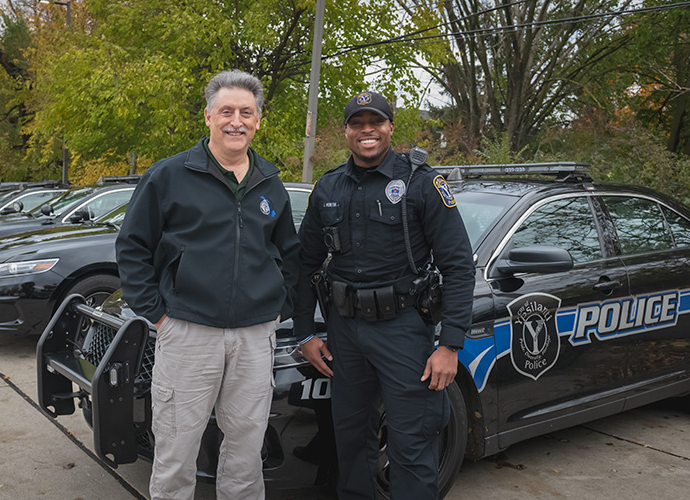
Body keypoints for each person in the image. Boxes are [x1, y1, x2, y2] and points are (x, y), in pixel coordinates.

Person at [115, 69, 300, 500]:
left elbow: (290, 255)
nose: (237, 121)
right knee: (177, 448)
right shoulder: (169, 176)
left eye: (246, 113)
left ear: (258, 121)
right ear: (208, 117)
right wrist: (158, 313)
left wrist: (280, 307)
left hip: (255, 336)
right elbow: (132, 247)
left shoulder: (270, 183)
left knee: (246, 450)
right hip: (188, 332)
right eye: (227, 111)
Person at [293, 90, 475, 500]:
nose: (367, 130)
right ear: (346, 132)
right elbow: (304, 264)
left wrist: (450, 344)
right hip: (345, 333)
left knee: (412, 445)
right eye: (357, 124)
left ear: (390, 127)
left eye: (375, 122)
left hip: (403, 331)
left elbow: (459, 265)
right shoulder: (328, 188)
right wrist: (305, 333)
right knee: (351, 442)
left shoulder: (422, 183)